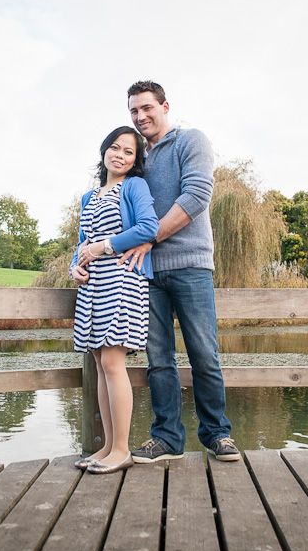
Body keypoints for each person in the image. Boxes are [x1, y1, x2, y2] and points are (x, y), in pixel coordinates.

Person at [119, 80, 239, 463]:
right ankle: (167, 438)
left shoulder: (191, 141)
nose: (140, 117)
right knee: (158, 359)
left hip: (190, 264)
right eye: (134, 111)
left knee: (204, 354)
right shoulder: (135, 158)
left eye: (147, 108)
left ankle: (218, 434)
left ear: (165, 106)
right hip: (147, 272)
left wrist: (149, 238)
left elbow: (197, 195)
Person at [71, 126, 159, 474]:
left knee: (112, 363)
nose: (119, 155)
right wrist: (74, 267)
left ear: (136, 161)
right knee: (99, 363)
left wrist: (102, 247)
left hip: (123, 279)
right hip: (92, 286)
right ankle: (107, 446)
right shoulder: (89, 197)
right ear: (104, 150)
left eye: (129, 152)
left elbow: (148, 227)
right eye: (115, 147)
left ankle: (121, 449)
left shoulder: (134, 186)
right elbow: (81, 243)